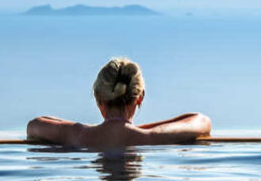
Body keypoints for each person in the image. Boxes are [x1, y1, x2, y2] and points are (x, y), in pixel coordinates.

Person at [26, 57, 211, 149]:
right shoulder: (152, 137)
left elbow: (35, 125)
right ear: (140, 98)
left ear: (99, 98)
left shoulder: (78, 135)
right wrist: (143, 130)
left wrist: (97, 129)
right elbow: (201, 120)